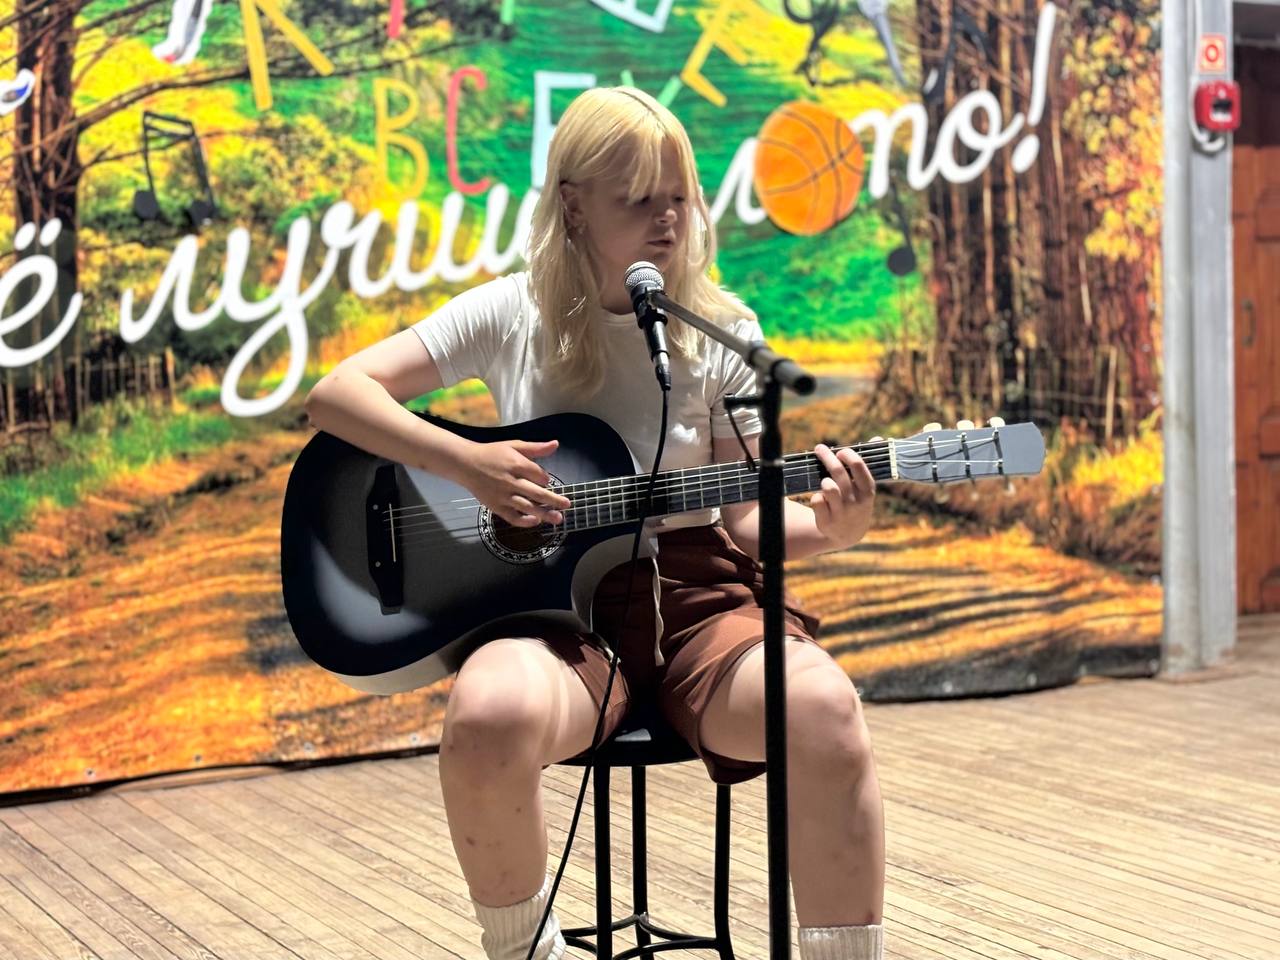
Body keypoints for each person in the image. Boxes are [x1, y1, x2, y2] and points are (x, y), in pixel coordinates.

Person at [303, 86, 886, 960]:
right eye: (639, 199)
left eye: (679, 196)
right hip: (550, 619)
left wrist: (832, 529)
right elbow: (335, 395)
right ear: (574, 206)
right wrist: (464, 463)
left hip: (699, 606)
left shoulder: (722, 329)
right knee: (485, 714)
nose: (667, 219)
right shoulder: (508, 312)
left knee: (825, 708)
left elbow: (747, 520)